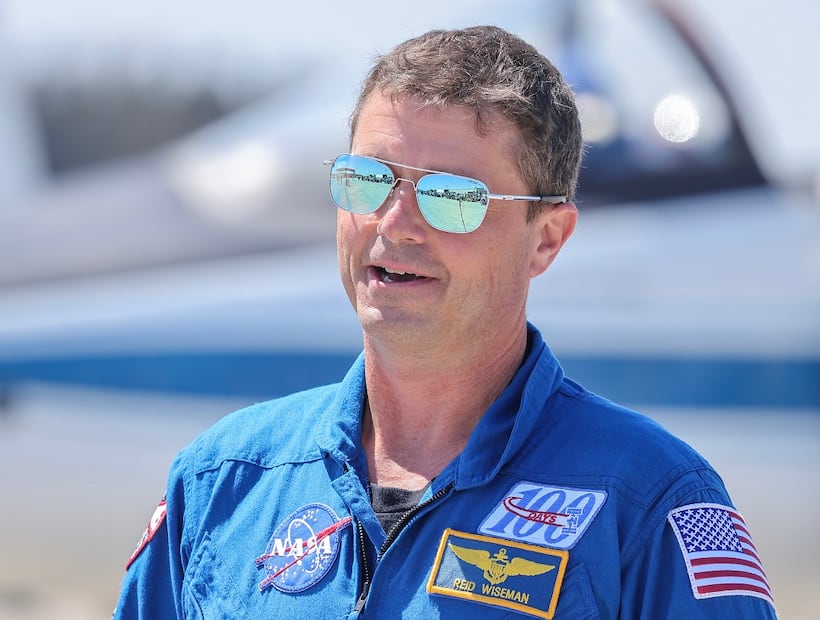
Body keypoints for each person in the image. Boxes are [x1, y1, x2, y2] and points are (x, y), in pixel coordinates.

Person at [113, 25, 778, 619]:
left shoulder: (647, 501)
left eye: (451, 196)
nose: (394, 224)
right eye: (368, 180)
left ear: (546, 239)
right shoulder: (224, 481)